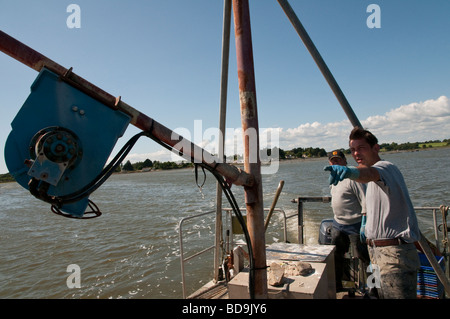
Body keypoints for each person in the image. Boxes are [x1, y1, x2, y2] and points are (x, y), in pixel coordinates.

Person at [324, 127, 421, 299]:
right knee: (376, 294)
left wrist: (350, 172)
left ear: (376, 148)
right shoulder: (370, 181)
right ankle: (371, 292)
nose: (356, 153)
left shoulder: (385, 167)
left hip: (393, 257)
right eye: (353, 149)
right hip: (376, 252)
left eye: (361, 148)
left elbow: (368, 173)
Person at [327, 149, 369, 292]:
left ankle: (375, 289)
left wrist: (365, 223)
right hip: (339, 224)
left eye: (338, 160)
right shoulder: (334, 179)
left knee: (367, 258)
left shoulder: (353, 178)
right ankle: (337, 286)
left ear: (345, 161)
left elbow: (365, 200)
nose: (336, 163)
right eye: (333, 161)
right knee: (336, 257)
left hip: (356, 225)